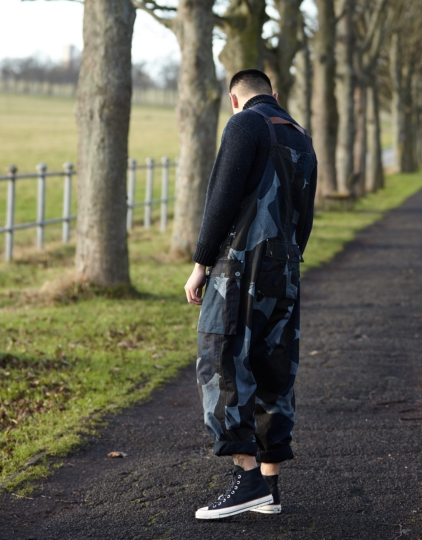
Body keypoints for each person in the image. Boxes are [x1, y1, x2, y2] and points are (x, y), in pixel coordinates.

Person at [184, 68, 317, 520]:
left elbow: (221, 197)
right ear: (274, 95)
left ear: (235, 100)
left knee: (220, 358)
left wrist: (201, 263)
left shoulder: (244, 124)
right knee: (274, 366)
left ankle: (246, 479)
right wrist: (289, 260)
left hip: (241, 267)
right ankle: (270, 485)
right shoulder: (300, 135)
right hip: (286, 268)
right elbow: (306, 213)